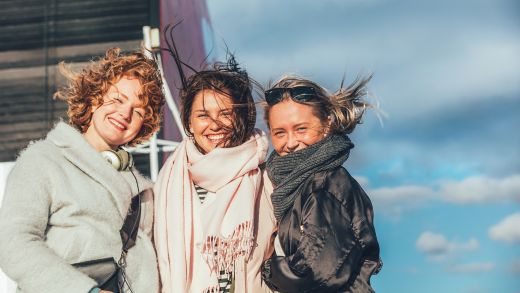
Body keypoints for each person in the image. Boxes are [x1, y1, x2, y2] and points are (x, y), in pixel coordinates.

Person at [0, 48, 165, 293]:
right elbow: (13, 243)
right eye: (118, 99)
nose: (125, 113)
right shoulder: (43, 159)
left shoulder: (144, 192)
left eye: (139, 111)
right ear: (95, 97)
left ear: (144, 125)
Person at [153, 46, 276, 292]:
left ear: (240, 117)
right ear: (189, 121)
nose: (215, 125)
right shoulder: (167, 182)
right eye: (203, 115)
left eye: (225, 113)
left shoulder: (267, 176)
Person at [261, 76, 382, 292]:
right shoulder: (296, 183)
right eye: (280, 132)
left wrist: (265, 268)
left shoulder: (326, 185)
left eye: (301, 129)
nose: (290, 143)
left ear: (327, 124)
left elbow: (314, 271)